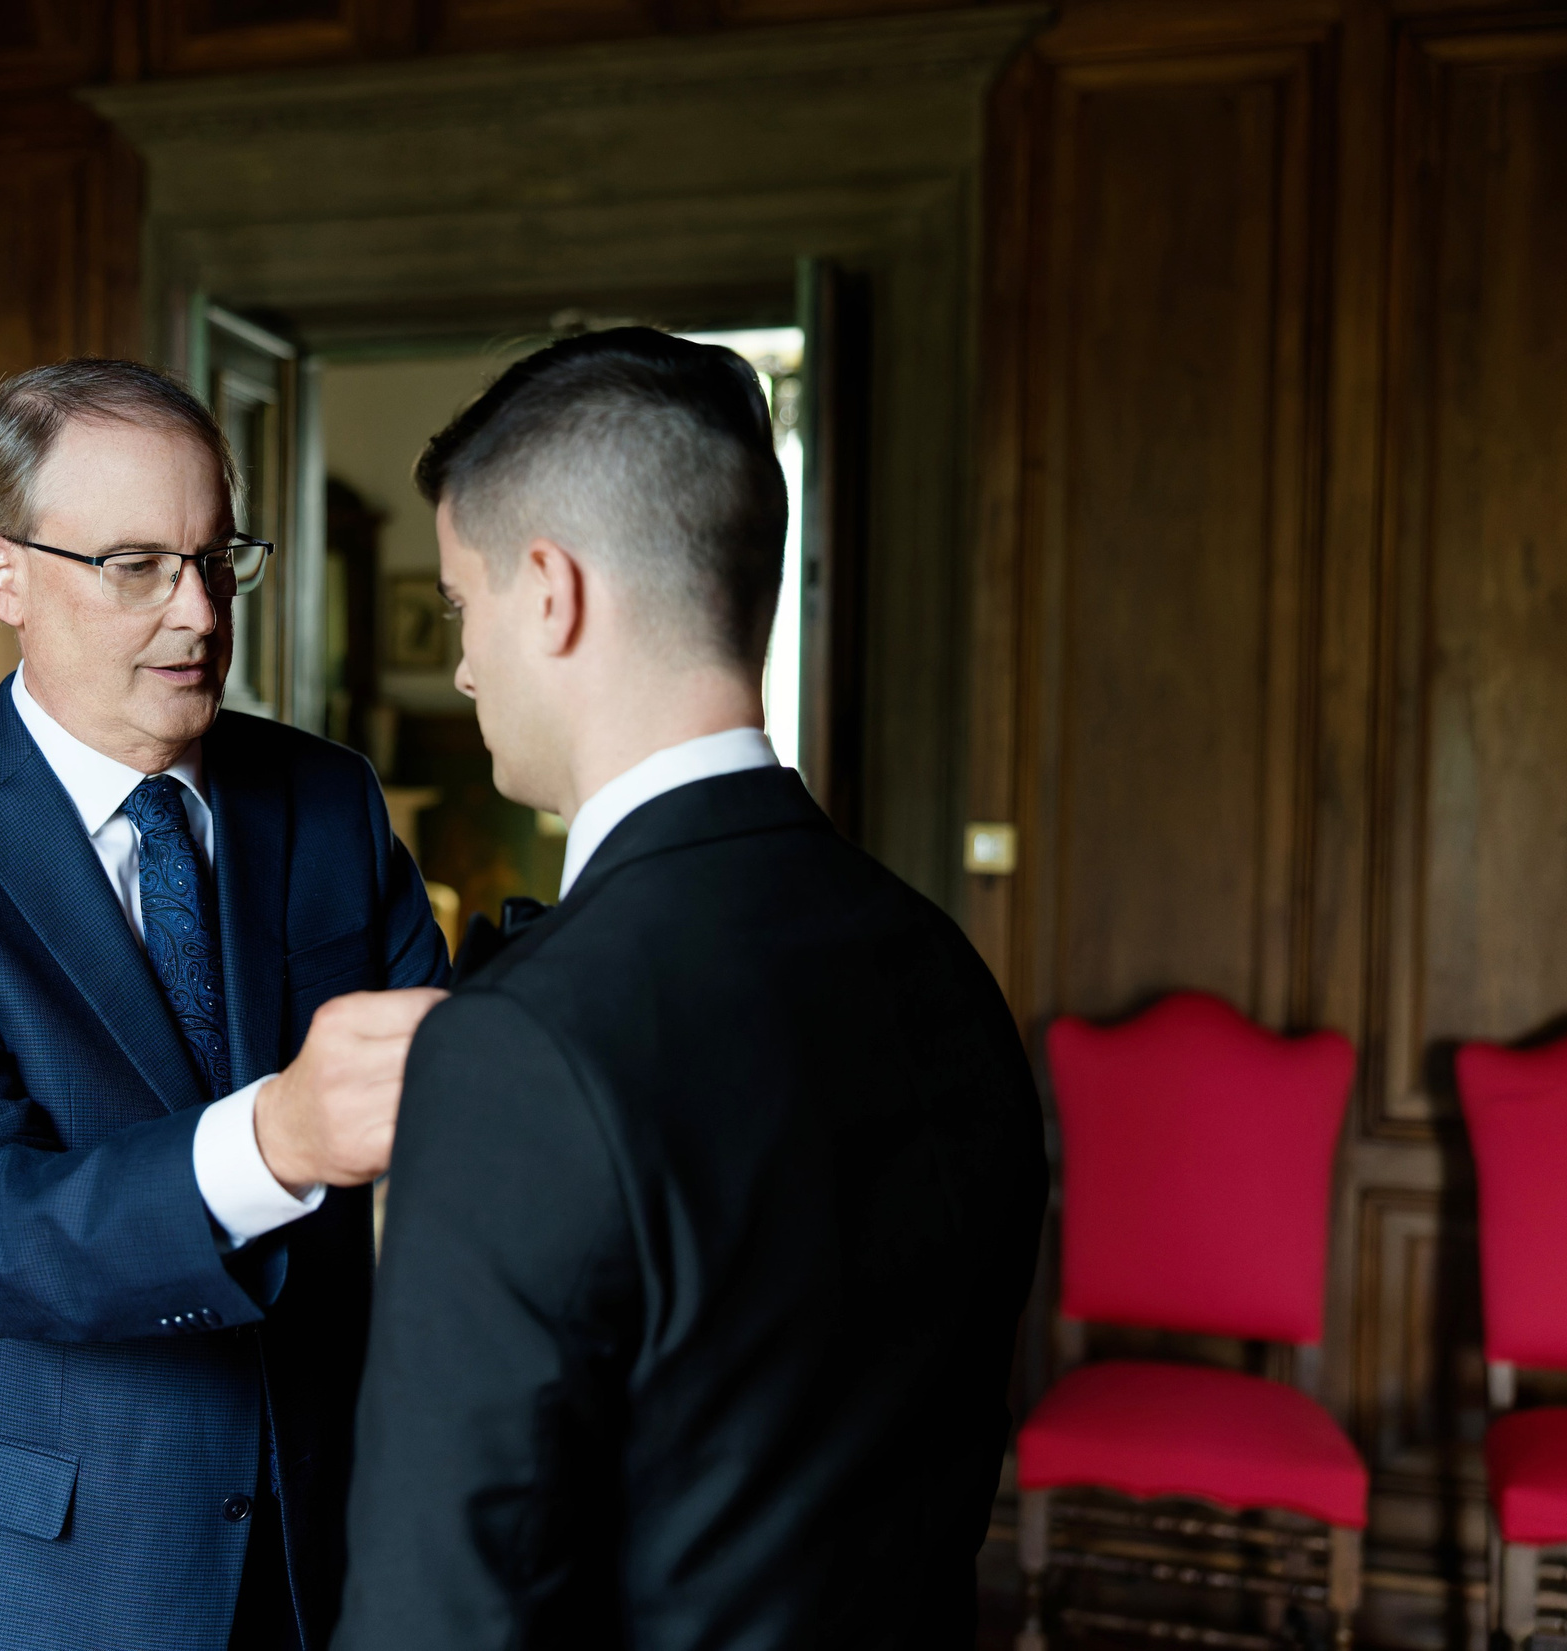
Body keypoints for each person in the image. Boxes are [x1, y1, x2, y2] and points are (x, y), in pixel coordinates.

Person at [336, 328, 1048, 1649]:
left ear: (550, 592)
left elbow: (439, 1610)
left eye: (459, 604)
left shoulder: (516, 1049)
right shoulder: (942, 962)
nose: (467, 664)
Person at [0, 359, 451, 1651]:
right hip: (29, 1573)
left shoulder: (329, 800)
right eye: (135, 564)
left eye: (214, 556)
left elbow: (464, 1098)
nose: (198, 613)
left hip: (319, 1556)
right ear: (3, 576)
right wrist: (277, 1141)